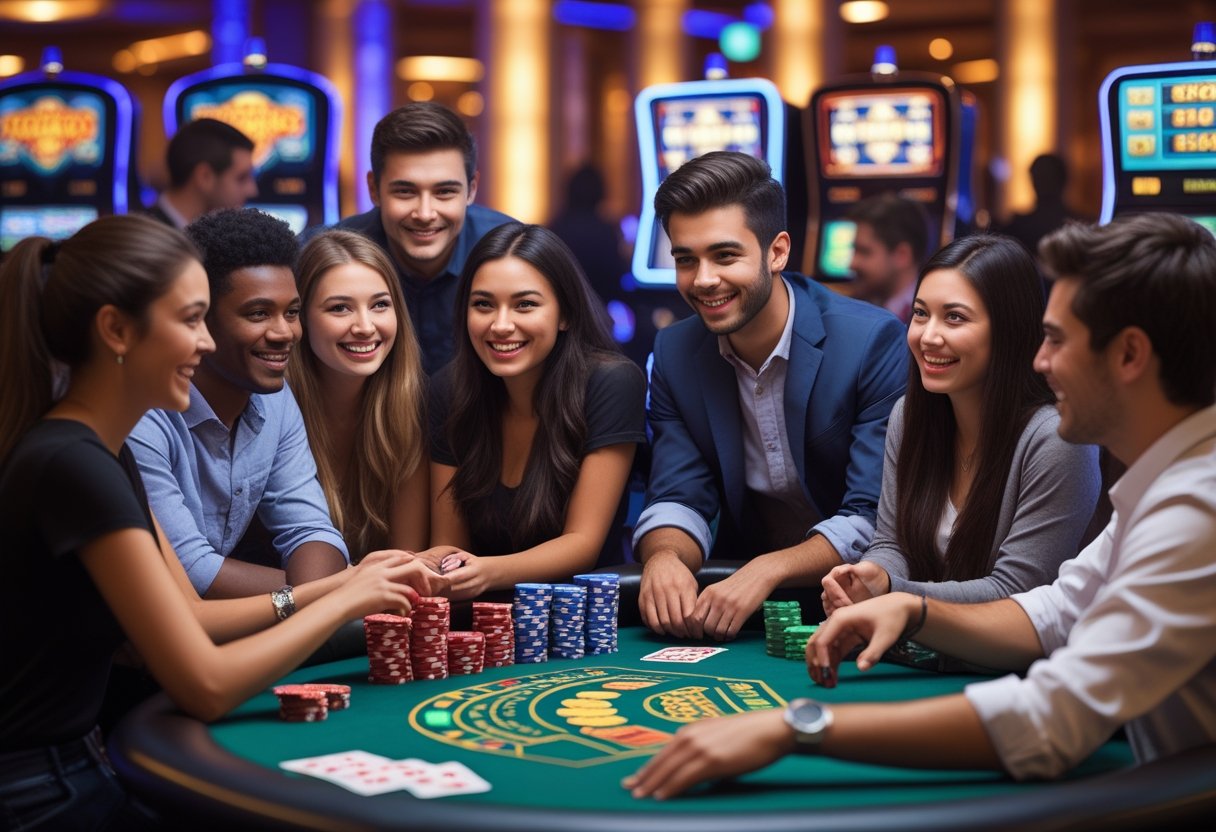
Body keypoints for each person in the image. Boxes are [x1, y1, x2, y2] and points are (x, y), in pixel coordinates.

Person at [623, 212, 1216, 799]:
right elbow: (1053, 612)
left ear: (1130, 355)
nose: (1041, 360)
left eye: (1057, 340)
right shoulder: (1166, 487)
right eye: (923, 314)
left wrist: (796, 727)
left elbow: (1051, 716)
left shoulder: (1196, 511)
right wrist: (909, 609)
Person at [0, 215, 446, 829]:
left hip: (76, 763)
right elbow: (203, 684)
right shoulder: (77, 465)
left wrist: (342, 589)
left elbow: (196, 617)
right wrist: (341, 598)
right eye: (190, 320)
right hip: (37, 789)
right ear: (116, 331)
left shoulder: (103, 452)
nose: (205, 342)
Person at [633, 151, 906, 641]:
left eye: (725, 255)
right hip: (743, 604)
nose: (703, 280)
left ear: (776, 252)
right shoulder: (674, 352)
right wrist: (665, 556)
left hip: (862, 599)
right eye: (685, 259)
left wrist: (767, 569)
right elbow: (678, 495)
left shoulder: (870, 342)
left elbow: (873, 514)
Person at [820, 235, 1100, 614]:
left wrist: (893, 593)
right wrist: (869, 577)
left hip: (1023, 666)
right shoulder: (909, 415)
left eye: (955, 317)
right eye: (920, 313)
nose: (928, 337)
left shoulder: (1057, 439)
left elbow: (1017, 594)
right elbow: (891, 544)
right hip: (921, 655)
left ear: (1008, 330)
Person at [130, 208, 349, 598]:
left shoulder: (276, 397)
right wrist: (340, 591)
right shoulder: (144, 413)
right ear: (201, 320)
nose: (285, 333)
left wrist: (325, 591)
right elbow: (190, 571)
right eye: (258, 313)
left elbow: (310, 529)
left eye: (292, 312)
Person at [424, 222, 647, 600]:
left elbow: (582, 544)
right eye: (483, 305)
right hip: (480, 615)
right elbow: (448, 543)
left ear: (565, 315)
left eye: (525, 304)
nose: (501, 324)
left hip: (585, 617)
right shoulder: (450, 388)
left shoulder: (611, 382)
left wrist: (485, 571)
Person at [327, 102, 514, 375]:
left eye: (445, 192)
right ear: (374, 189)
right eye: (405, 192)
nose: (425, 214)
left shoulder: (513, 253)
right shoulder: (327, 259)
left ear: (471, 190)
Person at [288, 229, 429, 559]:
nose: (365, 326)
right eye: (340, 308)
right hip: (277, 607)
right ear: (301, 319)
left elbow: (404, 561)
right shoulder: (272, 411)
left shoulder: (410, 409)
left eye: (380, 305)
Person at [146, 118, 258, 229]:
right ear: (205, 177)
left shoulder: (203, 234)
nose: (252, 191)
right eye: (242, 178)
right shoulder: (147, 239)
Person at [846, 193, 933, 323]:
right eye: (854, 250)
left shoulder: (928, 318)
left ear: (903, 255)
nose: (852, 264)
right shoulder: (861, 307)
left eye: (864, 252)